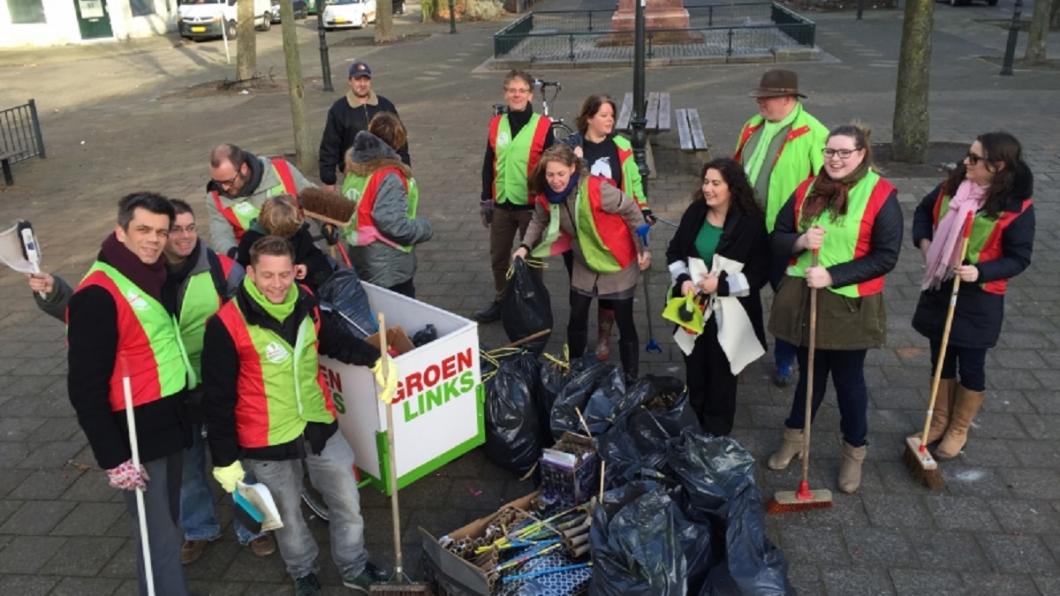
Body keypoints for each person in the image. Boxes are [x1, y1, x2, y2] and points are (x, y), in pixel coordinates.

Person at [33, 200, 277, 564]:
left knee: (234, 458)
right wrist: (56, 295)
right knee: (190, 468)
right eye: (172, 230)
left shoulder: (217, 267)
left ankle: (251, 527)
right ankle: (199, 529)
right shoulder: (143, 271)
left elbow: (256, 303)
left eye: (188, 228)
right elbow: (98, 312)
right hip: (174, 393)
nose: (182, 236)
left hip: (217, 381)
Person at [202, 235, 397, 596]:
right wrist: (225, 459)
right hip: (265, 438)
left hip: (318, 424)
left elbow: (334, 341)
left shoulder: (307, 302)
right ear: (250, 273)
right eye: (267, 276)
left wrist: (376, 359)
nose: (277, 284)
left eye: (284, 275)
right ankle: (302, 571)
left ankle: (354, 565)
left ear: (295, 271)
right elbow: (218, 398)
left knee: (347, 502)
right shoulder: (225, 325)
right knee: (287, 517)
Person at [66, 192, 192, 596]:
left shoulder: (151, 273)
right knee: (160, 536)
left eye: (160, 231)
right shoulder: (98, 294)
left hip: (167, 415)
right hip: (137, 430)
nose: (154, 240)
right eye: (143, 230)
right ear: (120, 232)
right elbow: (84, 388)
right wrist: (113, 458)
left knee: (169, 522)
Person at [765, 125, 902, 494]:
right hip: (805, 297)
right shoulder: (807, 188)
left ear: (861, 154)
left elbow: (886, 256)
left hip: (850, 303)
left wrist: (834, 275)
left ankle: (854, 450)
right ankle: (795, 438)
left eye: (844, 152)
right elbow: (776, 237)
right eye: (829, 152)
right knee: (810, 374)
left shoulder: (881, 195)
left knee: (848, 380)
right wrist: (800, 240)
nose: (835, 159)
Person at [910, 132, 1034, 459]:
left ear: (998, 166)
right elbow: (923, 212)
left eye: (975, 159)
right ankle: (938, 419)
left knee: (972, 363)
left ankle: (959, 427)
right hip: (942, 286)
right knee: (941, 356)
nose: (967, 162)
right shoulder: (952, 186)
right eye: (969, 154)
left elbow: (1019, 257)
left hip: (979, 298)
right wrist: (926, 244)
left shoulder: (1015, 208)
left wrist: (981, 271)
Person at [513, 144, 650, 380]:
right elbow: (538, 219)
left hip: (617, 259)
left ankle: (631, 377)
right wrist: (524, 247)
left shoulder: (597, 189)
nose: (555, 180)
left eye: (560, 174)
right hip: (584, 260)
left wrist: (643, 248)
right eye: (550, 174)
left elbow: (631, 210)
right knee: (576, 316)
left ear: (573, 168)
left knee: (624, 320)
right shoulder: (547, 195)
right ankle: (575, 368)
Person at [733, 69, 828, 387]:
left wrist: (807, 231)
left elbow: (826, 186)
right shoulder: (751, 126)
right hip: (745, 230)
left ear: (788, 99)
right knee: (738, 292)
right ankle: (740, 350)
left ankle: (785, 360)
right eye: (759, 97)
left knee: (786, 300)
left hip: (783, 236)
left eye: (767, 98)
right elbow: (736, 169)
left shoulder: (815, 133)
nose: (760, 102)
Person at [665, 158, 769, 436]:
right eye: (706, 182)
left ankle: (717, 432)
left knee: (723, 375)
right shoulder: (695, 212)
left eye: (715, 183)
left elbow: (760, 273)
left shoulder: (752, 223)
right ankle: (694, 423)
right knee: (695, 368)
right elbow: (674, 252)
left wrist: (721, 286)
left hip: (731, 314)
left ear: (732, 188)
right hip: (694, 310)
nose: (707, 189)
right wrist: (684, 280)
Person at [565, 93, 653, 361]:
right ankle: (576, 351)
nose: (610, 120)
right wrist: (575, 162)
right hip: (581, 231)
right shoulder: (572, 146)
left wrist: (644, 207)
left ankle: (604, 335)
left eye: (612, 116)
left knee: (611, 289)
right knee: (580, 289)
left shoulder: (621, 145)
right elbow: (556, 180)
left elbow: (634, 180)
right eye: (603, 115)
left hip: (613, 229)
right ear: (589, 118)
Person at [475, 69, 555, 323]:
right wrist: (486, 197)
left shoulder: (543, 126)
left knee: (532, 261)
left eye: (522, 90)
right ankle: (502, 300)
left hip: (531, 207)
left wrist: (550, 203)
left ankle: (533, 305)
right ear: (505, 93)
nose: (516, 95)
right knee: (498, 256)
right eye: (512, 90)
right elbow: (490, 161)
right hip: (501, 204)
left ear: (530, 94)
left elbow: (552, 168)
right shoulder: (496, 123)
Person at [341, 113, 432, 297]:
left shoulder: (355, 169)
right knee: (399, 317)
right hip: (388, 264)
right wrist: (424, 228)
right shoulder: (389, 175)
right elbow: (393, 224)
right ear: (398, 141)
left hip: (360, 255)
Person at [206, 143, 315, 258]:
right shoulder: (214, 198)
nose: (224, 188)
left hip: (300, 245)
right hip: (254, 257)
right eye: (218, 182)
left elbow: (314, 199)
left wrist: (327, 225)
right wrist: (236, 255)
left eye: (229, 182)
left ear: (243, 168)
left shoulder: (281, 169)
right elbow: (221, 236)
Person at [319, 60, 409, 192]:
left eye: (366, 79)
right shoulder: (338, 110)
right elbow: (330, 146)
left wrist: (405, 169)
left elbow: (400, 140)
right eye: (358, 79)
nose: (362, 84)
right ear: (350, 81)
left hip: (385, 172)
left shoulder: (385, 106)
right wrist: (328, 180)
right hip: (355, 174)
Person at [236, 195, 336, 292]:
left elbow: (316, 255)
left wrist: (306, 266)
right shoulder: (251, 240)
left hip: (304, 288)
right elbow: (243, 269)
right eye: (283, 234)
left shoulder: (300, 233)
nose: (287, 236)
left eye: (289, 233)